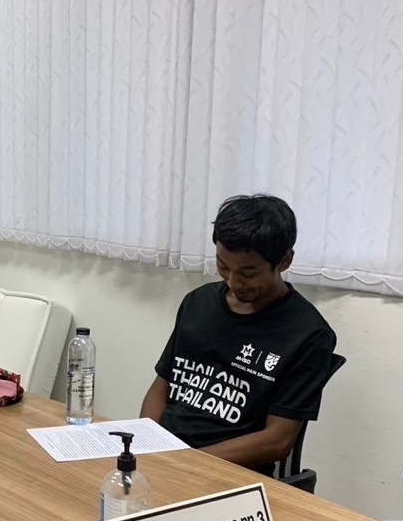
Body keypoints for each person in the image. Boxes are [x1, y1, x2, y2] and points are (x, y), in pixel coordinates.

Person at [140, 194, 336, 474]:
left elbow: (278, 441)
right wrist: (148, 445)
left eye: (248, 273)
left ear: (284, 260)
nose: (233, 282)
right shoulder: (198, 303)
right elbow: (161, 387)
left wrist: (185, 463)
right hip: (166, 457)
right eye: (223, 266)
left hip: (229, 470)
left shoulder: (308, 334)